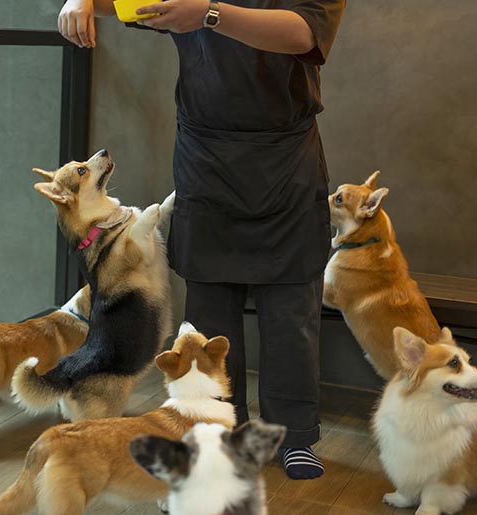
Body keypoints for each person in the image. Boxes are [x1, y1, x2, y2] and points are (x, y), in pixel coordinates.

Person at [58, 0, 346, 480]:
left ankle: (292, 436)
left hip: (285, 159)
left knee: (291, 316)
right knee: (209, 314)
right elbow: (133, 3)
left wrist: (210, 14)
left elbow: (303, 33)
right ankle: (217, 432)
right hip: (206, 158)